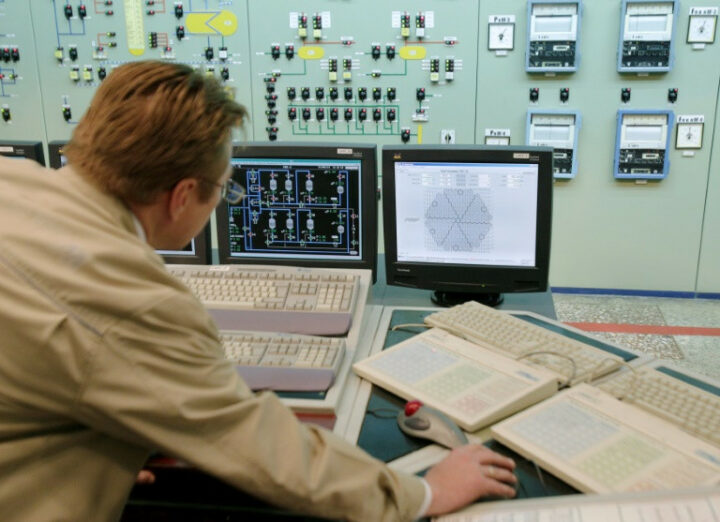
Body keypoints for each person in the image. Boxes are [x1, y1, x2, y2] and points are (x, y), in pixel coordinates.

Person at [0, 61, 516, 521]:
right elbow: (259, 447)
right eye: (223, 188)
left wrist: (97, 438)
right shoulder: (133, 301)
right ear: (182, 196)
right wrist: (422, 493)